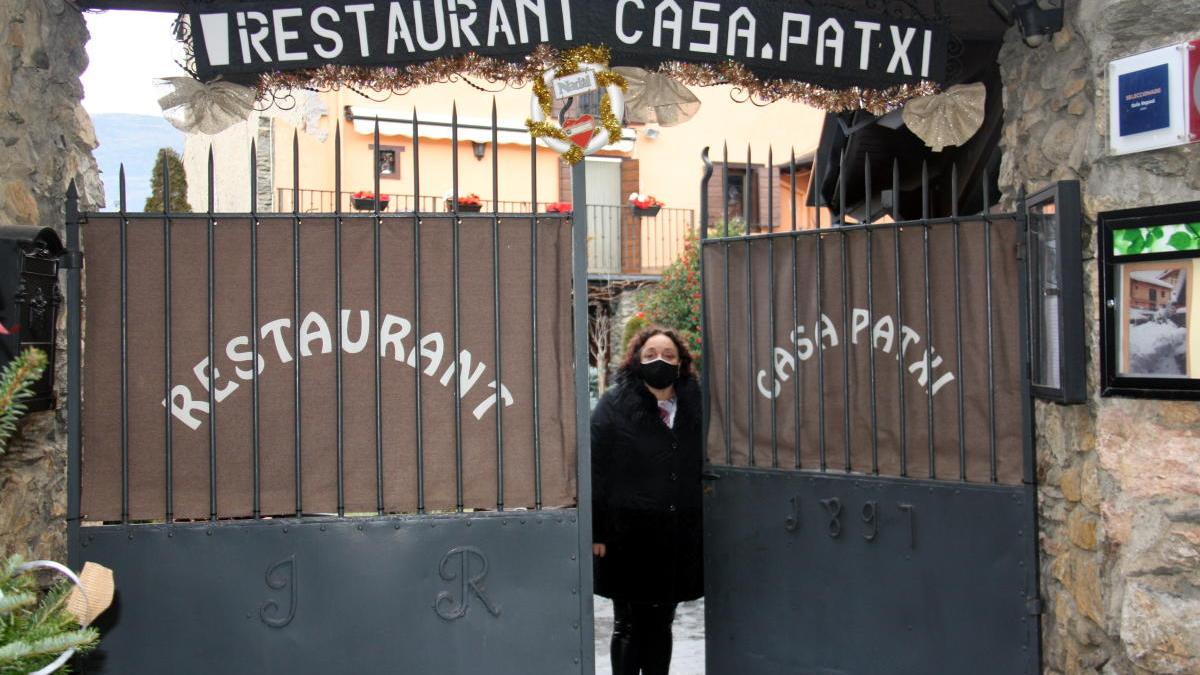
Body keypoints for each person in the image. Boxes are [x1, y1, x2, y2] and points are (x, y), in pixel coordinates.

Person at [591, 326, 704, 675]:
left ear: (681, 363)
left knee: (661, 622)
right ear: (636, 360)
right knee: (627, 623)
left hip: (675, 534)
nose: (660, 360)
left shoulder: (695, 405)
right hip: (627, 535)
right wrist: (597, 532)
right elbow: (596, 469)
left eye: (669, 355)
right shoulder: (614, 403)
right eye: (651, 353)